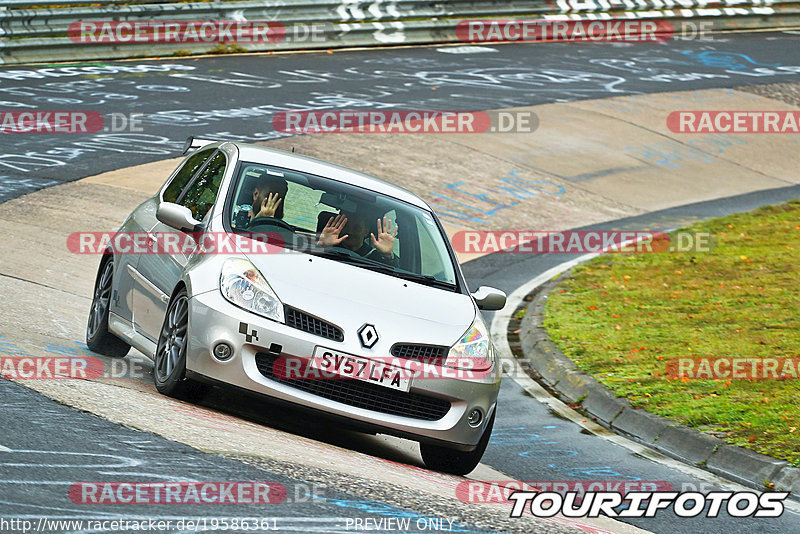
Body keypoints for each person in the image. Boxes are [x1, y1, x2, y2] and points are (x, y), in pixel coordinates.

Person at [318, 212, 399, 266]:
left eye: (356, 228)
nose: (350, 231)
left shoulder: (375, 257)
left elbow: (395, 273)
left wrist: (387, 255)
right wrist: (322, 245)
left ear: (366, 231)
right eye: (346, 226)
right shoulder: (329, 247)